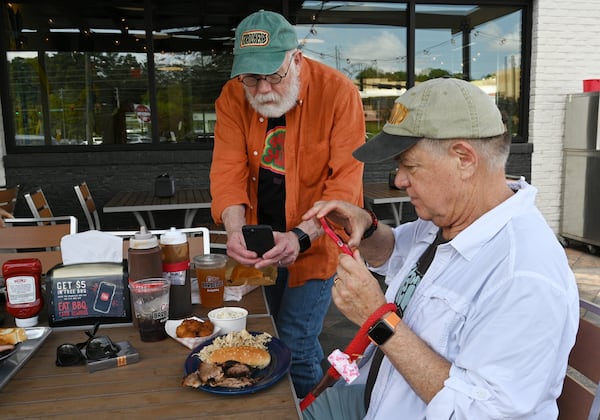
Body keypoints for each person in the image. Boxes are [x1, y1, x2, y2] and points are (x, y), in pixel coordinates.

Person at [301, 77, 580, 419]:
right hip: (373, 396)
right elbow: (398, 255)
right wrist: (367, 226)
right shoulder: (449, 217)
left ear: (464, 158)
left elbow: (479, 412)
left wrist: (377, 319)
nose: (399, 179)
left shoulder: (525, 276)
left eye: (409, 165)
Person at [209, 10, 365, 398]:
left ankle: (311, 406)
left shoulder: (339, 93)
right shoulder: (233, 96)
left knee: (293, 341)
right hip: (259, 242)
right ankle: (331, 395)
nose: (261, 90)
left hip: (316, 244)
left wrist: (300, 236)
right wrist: (234, 232)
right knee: (271, 333)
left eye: (272, 76)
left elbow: (344, 187)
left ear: (295, 59)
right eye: (251, 78)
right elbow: (227, 172)